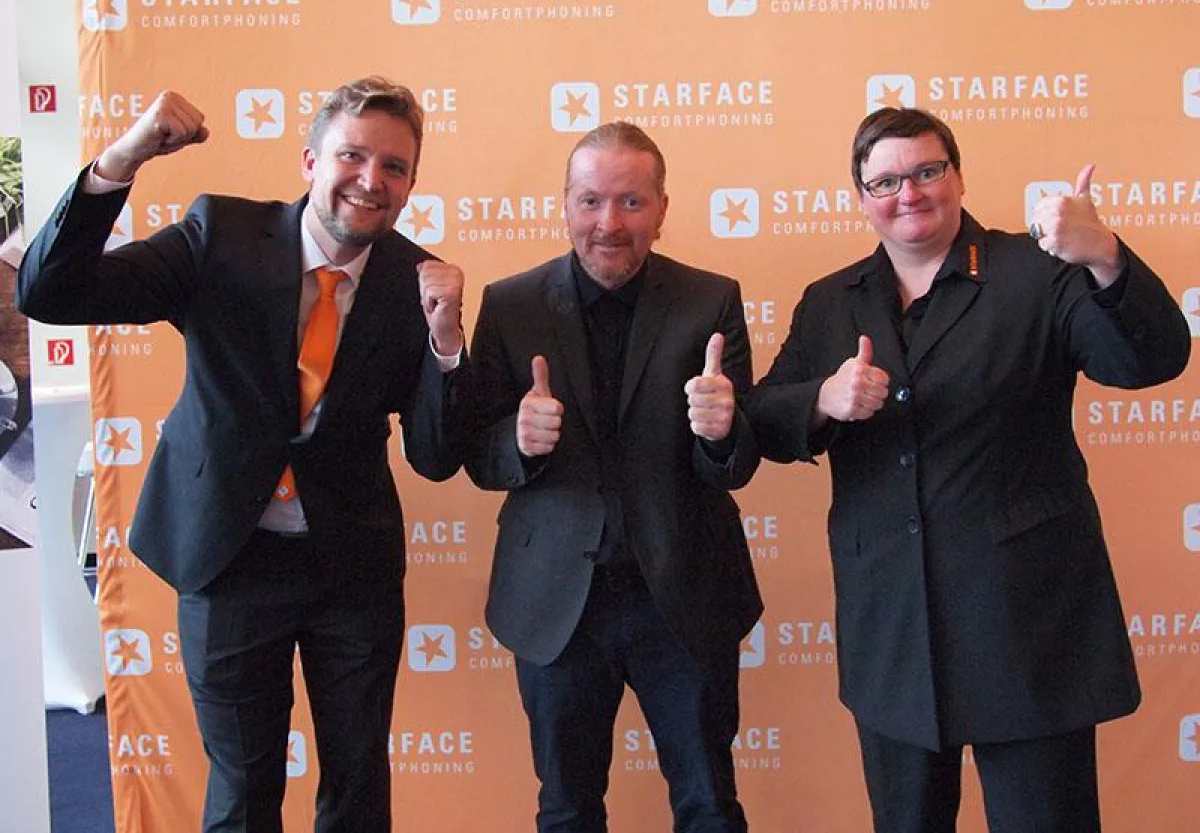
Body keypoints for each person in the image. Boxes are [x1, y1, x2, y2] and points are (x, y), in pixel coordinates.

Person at [17, 77, 471, 833]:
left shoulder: (420, 283)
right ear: (309, 160)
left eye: (393, 166)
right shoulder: (218, 235)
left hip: (349, 571)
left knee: (358, 785)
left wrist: (448, 344)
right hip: (227, 559)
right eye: (352, 156)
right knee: (242, 787)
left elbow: (434, 454)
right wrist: (124, 158)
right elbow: (51, 291)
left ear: (412, 184)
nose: (371, 179)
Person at [745, 107, 1190, 832]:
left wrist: (1105, 254)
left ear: (957, 176)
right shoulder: (830, 300)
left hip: (1026, 628)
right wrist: (821, 399)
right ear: (861, 198)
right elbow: (764, 419)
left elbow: (1150, 359)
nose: (909, 193)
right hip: (892, 631)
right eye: (884, 180)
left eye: (926, 171)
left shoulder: (1040, 269)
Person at [466, 121, 762, 832]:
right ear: (565, 205)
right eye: (591, 201)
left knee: (710, 807)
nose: (609, 223)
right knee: (566, 811)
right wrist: (517, 441)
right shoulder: (510, 304)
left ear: (662, 210)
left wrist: (723, 433)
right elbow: (475, 454)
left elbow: (739, 464)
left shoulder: (711, 300)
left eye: (631, 203)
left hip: (684, 598)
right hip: (557, 610)